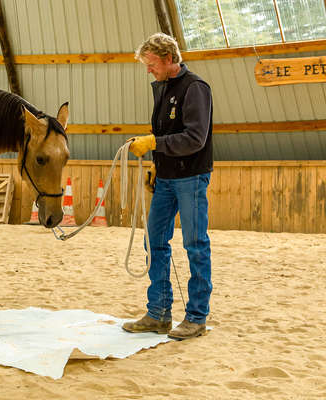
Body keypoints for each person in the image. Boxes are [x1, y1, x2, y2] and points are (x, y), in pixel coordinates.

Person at [123, 33, 213, 340]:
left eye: (151, 64)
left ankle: (197, 317)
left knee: (195, 245)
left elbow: (195, 138)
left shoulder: (195, 89)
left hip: (191, 178)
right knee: (154, 242)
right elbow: (165, 131)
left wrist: (153, 143)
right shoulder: (162, 89)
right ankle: (158, 313)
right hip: (166, 179)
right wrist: (155, 163)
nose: (149, 70)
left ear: (166, 58)